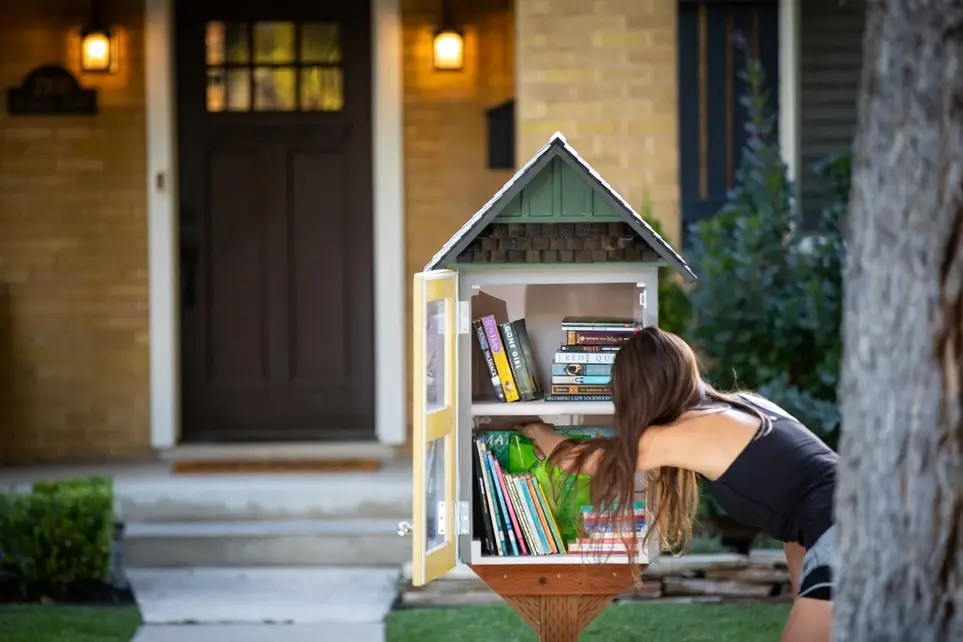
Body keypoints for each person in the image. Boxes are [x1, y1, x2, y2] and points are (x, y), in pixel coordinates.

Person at [515, 326, 837, 642]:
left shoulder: (681, 431)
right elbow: (802, 507)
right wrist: (806, 594)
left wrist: (533, 428)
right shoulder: (744, 404)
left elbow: (580, 461)